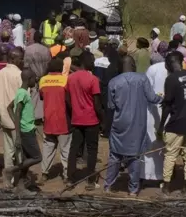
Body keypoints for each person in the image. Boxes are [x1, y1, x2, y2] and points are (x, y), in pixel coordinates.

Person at [104, 62, 163, 195]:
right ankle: (133, 189)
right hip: (138, 124)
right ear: (134, 66)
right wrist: (163, 98)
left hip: (119, 124)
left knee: (115, 155)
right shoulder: (142, 79)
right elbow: (152, 98)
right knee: (135, 157)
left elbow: (111, 106)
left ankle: (108, 185)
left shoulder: (114, 82)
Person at [158, 51, 186, 195]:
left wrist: (161, 125)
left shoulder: (171, 79)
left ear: (169, 63)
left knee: (170, 155)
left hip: (176, 123)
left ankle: (167, 186)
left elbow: (168, 105)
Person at [66, 52, 103, 191]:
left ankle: (70, 179)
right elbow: (97, 105)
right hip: (91, 120)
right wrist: (103, 121)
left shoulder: (71, 78)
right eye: (92, 60)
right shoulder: (93, 79)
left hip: (76, 119)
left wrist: (74, 109)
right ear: (86, 61)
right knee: (92, 150)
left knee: (74, 149)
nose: (93, 63)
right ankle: (91, 181)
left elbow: (67, 98)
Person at [4, 69, 42, 193]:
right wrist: (18, 134)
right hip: (26, 131)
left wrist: (18, 121)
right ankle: (10, 170)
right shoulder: (22, 94)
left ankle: (20, 186)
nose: (35, 81)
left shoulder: (23, 93)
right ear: (29, 78)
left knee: (26, 160)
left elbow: (9, 107)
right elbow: (17, 111)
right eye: (34, 78)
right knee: (37, 157)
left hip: (27, 129)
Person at [39, 58, 71, 183]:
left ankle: (44, 173)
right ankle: (66, 175)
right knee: (65, 149)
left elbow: (42, 96)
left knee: (48, 147)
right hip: (63, 120)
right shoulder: (65, 80)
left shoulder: (43, 80)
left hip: (48, 119)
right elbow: (68, 99)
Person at [0, 48, 24, 174]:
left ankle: (9, 177)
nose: (22, 61)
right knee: (20, 150)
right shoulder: (19, 75)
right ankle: (21, 177)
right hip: (18, 119)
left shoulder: (0, 73)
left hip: (4, 117)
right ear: (13, 59)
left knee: (8, 149)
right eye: (20, 58)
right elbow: (24, 98)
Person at [143, 47, 168, 182]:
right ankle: (164, 175)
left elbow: (147, 90)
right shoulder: (168, 68)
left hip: (152, 109)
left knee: (150, 141)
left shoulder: (151, 70)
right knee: (165, 144)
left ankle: (148, 175)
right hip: (167, 110)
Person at [24, 31, 50, 138]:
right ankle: (39, 118)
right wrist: (42, 74)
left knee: (33, 96)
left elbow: (26, 64)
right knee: (41, 98)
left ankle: (32, 117)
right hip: (42, 76)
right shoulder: (46, 50)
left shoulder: (28, 49)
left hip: (32, 77)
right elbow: (48, 64)